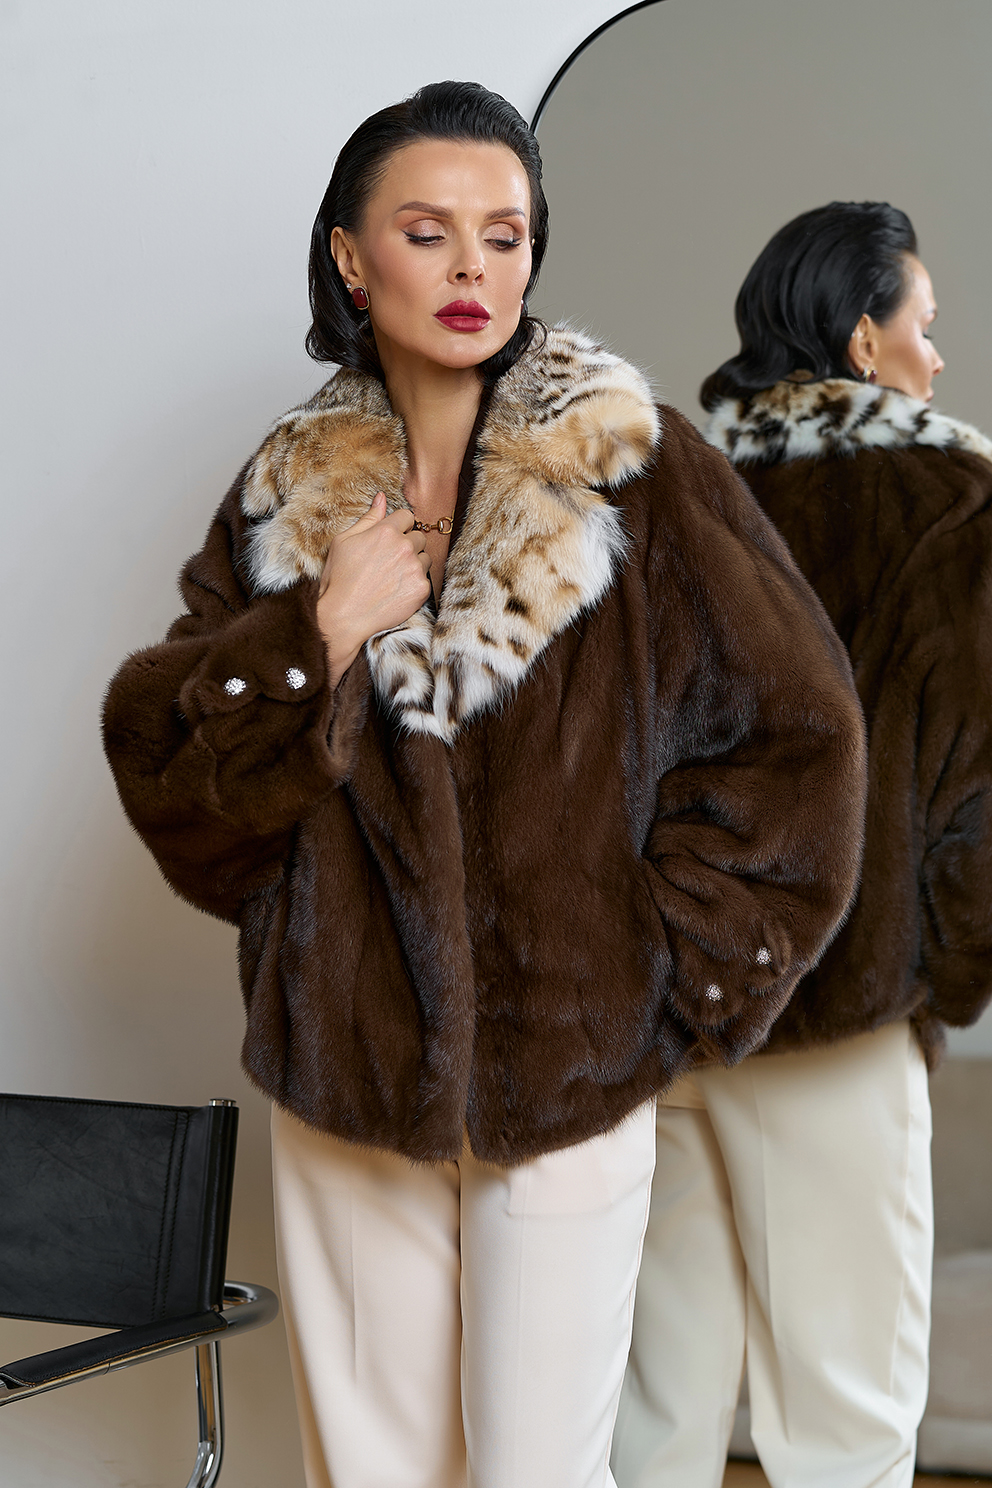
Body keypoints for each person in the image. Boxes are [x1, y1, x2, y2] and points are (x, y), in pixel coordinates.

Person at [102, 90, 866, 1488]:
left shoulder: (634, 468)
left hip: (568, 1074)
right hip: (348, 1073)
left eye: (504, 236)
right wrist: (318, 631)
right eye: (427, 232)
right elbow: (169, 774)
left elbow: (799, 735)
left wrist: (659, 975)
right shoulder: (288, 489)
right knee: (371, 1474)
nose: (472, 268)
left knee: (537, 1473)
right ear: (351, 258)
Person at [614, 201, 992, 1488]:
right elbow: (975, 792)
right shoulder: (950, 501)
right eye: (923, 325)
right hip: (832, 1003)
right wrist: (938, 977)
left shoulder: (657, 500)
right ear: (859, 338)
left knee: (655, 1411)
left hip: (663, 1006)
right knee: (845, 1415)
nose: (936, 356)